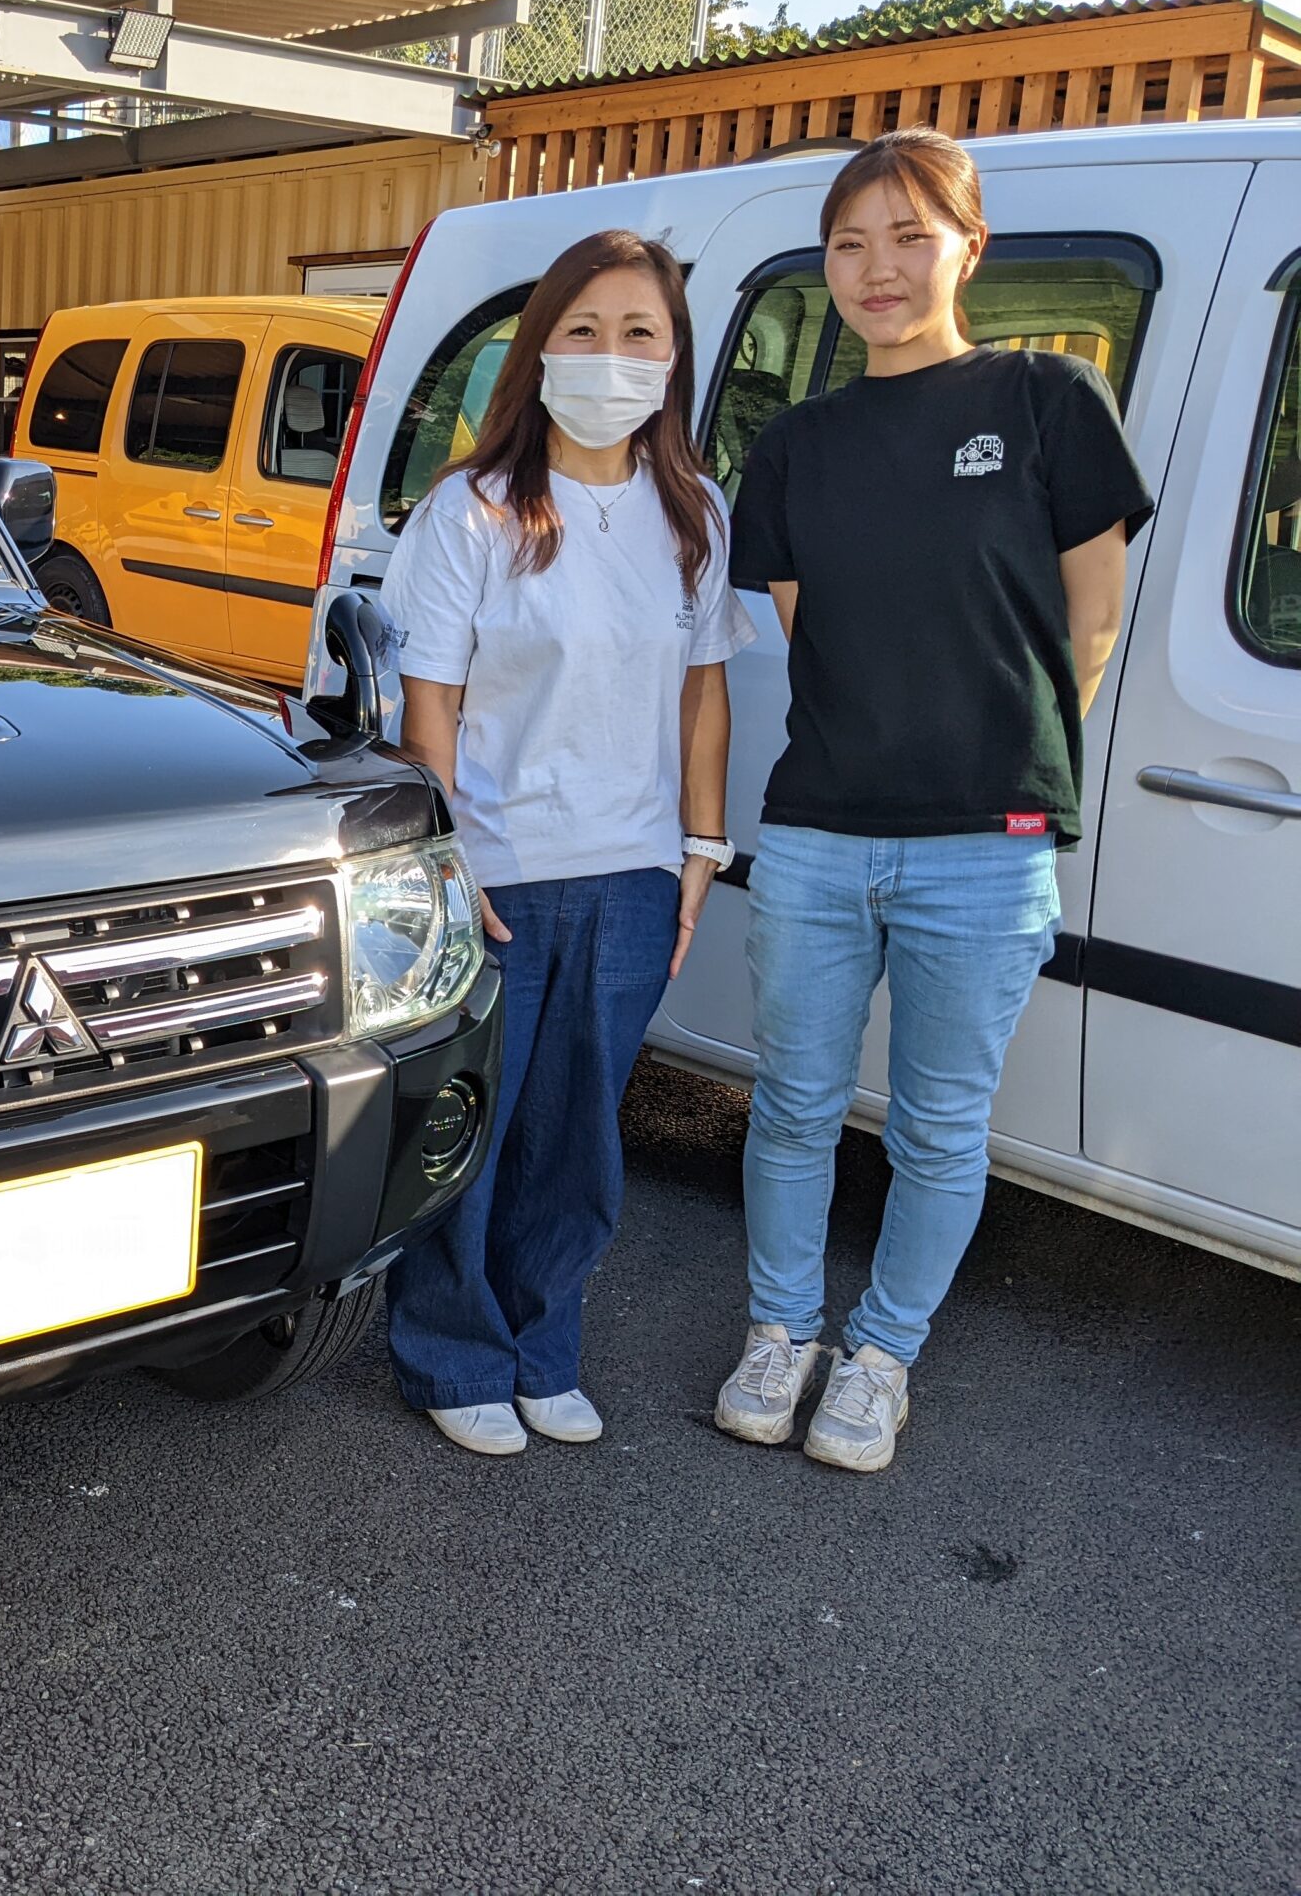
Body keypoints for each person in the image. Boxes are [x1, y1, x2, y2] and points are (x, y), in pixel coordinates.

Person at [715, 128, 1152, 1472]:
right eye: (850, 244)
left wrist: (988, 762)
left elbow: (1091, 627)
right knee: (791, 1106)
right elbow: (814, 632)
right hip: (819, 836)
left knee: (937, 1127)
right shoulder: (798, 445)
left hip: (986, 848)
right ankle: (780, 1331)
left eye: (909, 236)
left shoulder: (1048, 402)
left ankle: (882, 1357)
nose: (878, 268)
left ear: (971, 242)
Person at [386, 230, 751, 1456]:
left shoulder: (692, 512)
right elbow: (424, 703)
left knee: (581, 1138)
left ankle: (545, 1348)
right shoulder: (472, 510)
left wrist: (699, 849)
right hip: (501, 873)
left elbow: (705, 692)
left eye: (639, 333)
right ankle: (454, 1357)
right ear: (538, 347)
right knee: (474, 1131)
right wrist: (448, 867)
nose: (611, 355)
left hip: (634, 872)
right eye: (583, 330)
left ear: (673, 358)